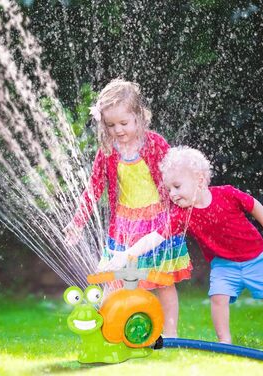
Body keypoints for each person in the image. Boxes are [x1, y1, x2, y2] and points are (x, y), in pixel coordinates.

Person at [104, 146, 263, 343]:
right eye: (169, 190)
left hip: (256, 258)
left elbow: (253, 205)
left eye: (177, 186)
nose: (172, 194)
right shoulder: (181, 214)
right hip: (224, 264)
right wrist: (128, 254)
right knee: (218, 298)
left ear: (199, 180)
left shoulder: (226, 194)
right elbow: (155, 237)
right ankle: (225, 342)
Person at [64, 79, 192, 338]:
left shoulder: (155, 143)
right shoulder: (108, 151)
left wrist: (181, 204)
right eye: (111, 125)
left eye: (124, 123)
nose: (118, 130)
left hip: (157, 222)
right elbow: (94, 188)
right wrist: (77, 222)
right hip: (124, 226)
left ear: (138, 117)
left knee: (163, 281)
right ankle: (110, 329)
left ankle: (171, 333)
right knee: (113, 279)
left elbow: (173, 175)